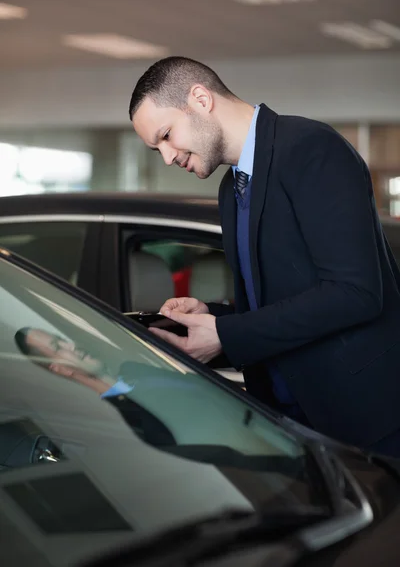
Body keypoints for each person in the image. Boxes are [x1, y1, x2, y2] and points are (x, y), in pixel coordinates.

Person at [128, 56, 400, 457]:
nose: (168, 157)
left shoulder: (312, 148)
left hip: (365, 420)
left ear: (201, 99)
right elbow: (282, 298)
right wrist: (215, 317)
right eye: (157, 149)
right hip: (289, 421)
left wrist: (228, 335)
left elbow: (355, 292)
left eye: (166, 135)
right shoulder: (230, 186)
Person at [14, 327, 175, 446]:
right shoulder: (120, 422)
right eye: (57, 347)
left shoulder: (136, 369)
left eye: (62, 339)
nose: (71, 345)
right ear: (59, 368)